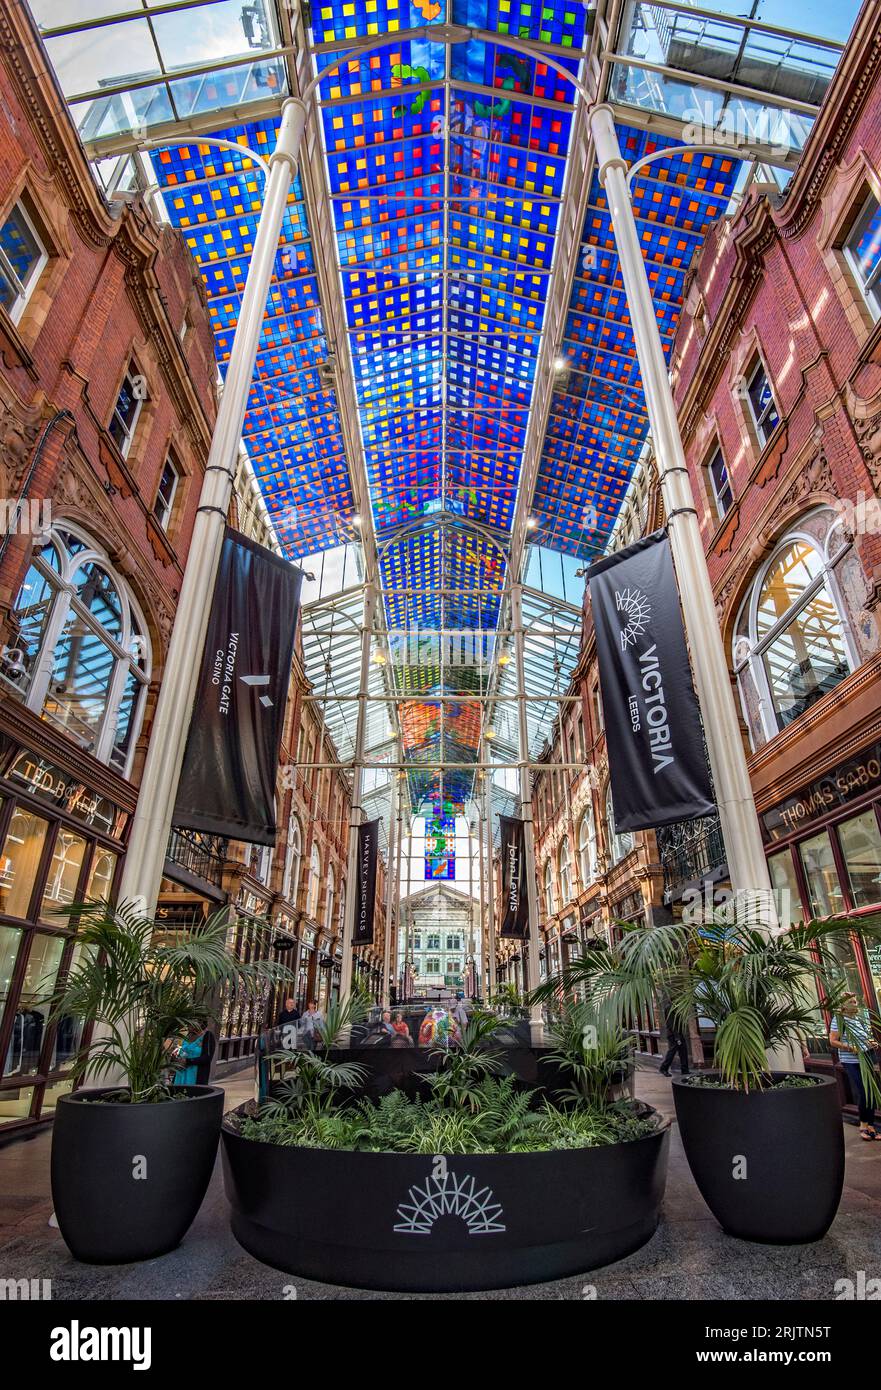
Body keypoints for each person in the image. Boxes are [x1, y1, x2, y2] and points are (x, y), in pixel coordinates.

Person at [830, 994, 879, 1140]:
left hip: (866, 1058)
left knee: (870, 1091)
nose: (855, 1004)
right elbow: (832, 1041)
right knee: (864, 1092)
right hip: (851, 1061)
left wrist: (871, 1042)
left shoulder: (858, 1018)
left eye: (855, 1001)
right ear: (844, 1005)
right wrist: (850, 1047)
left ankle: (871, 1125)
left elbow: (864, 1036)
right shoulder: (838, 1020)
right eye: (851, 1002)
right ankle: (863, 1125)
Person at [658, 995, 689, 1077]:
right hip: (673, 1034)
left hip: (679, 1033)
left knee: (683, 1051)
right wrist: (677, 1037)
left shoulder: (676, 1007)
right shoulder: (669, 1008)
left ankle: (685, 1070)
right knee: (672, 1052)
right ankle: (663, 1068)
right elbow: (671, 1024)